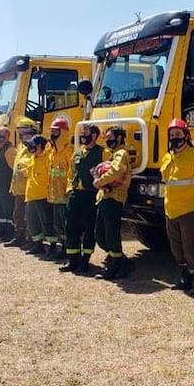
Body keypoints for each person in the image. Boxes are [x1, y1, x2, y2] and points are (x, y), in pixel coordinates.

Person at [160, 118, 194, 295]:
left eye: (178, 134)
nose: (175, 138)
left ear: (186, 135)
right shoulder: (168, 157)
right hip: (171, 210)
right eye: (172, 135)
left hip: (189, 210)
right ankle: (185, 278)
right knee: (176, 247)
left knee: (191, 247)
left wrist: (193, 198)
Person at [60, 123, 109, 274]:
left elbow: (107, 172)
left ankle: (85, 260)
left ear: (94, 136)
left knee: (89, 227)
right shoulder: (77, 152)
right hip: (75, 193)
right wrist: (69, 189)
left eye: (86, 133)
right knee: (70, 226)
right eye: (82, 133)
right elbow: (71, 172)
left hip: (90, 194)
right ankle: (72, 260)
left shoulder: (103, 152)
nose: (83, 136)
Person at [93, 126, 133, 280]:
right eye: (106, 137)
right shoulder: (112, 155)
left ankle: (116, 265)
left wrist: (99, 181)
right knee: (100, 235)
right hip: (104, 197)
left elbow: (116, 171)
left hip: (114, 198)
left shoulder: (121, 154)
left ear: (119, 138)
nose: (107, 140)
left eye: (110, 137)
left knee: (111, 235)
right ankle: (121, 261)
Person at [4, 118, 38, 248]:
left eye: (25, 132)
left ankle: (31, 240)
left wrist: (24, 171)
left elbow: (34, 165)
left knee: (29, 217)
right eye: (20, 133)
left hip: (29, 189)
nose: (22, 135)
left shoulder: (35, 147)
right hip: (18, 188)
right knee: (18, 215)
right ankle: (19, 237)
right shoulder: (21, 147)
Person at [47, 118, 74, 259]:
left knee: (66, 224)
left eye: (55, 131)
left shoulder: (68, 150)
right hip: (55, 195)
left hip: (64, 195)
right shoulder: (53, 151)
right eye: (52, 131)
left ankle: (69, 249)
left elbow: (72, 171)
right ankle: (63, 246)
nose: (53, 134)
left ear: (63, 132)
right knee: (57, 224)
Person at [23, 135, 53, 254]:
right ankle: (37, 244)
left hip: (42, 196)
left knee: (47, 223)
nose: (29, 147)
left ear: (40, 145)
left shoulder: (47, 158)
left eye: (32, 144)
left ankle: (53, 246)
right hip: (30, 195)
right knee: (32, 222)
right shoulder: (32, 158)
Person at [0, 127, 17, 241]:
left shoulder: (10, 150)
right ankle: (2, 230)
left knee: (8, 210)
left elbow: (13, 169)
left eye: (2, 135)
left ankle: (9, 232)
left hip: (5, 186)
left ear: (8, 136)